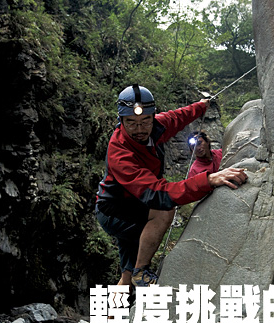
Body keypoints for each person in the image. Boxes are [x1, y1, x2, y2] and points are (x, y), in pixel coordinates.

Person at [95, 84, 248, 293]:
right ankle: (142, 272)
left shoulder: (156, 126)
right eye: (131, 123)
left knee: (126, 275)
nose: (139, 129)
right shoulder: (119, 153)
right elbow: (158, 193)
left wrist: (201, 107)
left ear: (152, 117)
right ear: (121, 121)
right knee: (164, 211)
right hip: (115, 211)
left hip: (136, 206)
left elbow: (178, 117)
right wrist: (209, 180)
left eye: (144, 122)